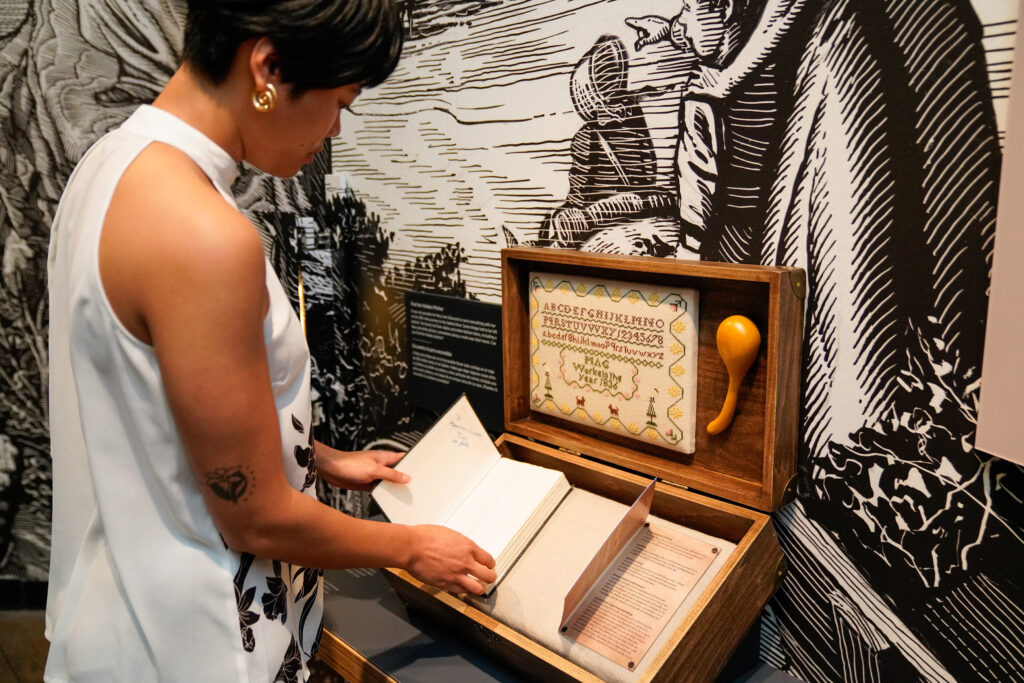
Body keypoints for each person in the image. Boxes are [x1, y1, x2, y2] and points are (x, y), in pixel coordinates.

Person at [45, 1, 497, 681]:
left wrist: (316, 457)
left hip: (114, 612)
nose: (335, 127)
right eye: (339, 100)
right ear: (268, 67)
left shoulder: (107, 168)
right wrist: (408, 546)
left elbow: (162, 408)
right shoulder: (204, 235)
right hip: (198, 644)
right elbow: (253, 519)